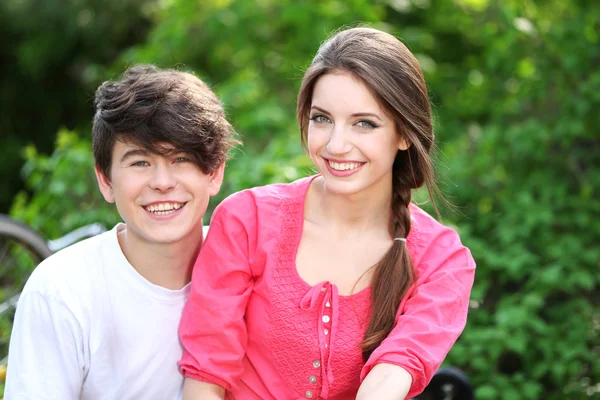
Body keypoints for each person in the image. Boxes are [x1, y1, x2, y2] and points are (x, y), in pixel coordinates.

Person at [178, 27, 476, 400]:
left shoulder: (441, 260)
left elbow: (393, 374)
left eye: (364, 123)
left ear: (404, 134)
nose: (336, 145)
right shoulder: (247, 220)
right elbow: (206, 375)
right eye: (322, 119)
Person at [5, 65, 237, 399]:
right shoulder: (61, 290)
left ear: (214, 173)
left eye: (181, 158)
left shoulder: (248, 267)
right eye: (140, 162)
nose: (162, 182)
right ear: (106, 180)